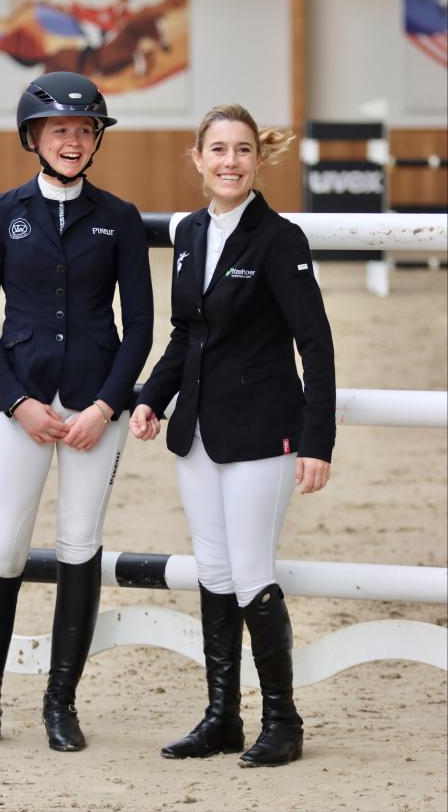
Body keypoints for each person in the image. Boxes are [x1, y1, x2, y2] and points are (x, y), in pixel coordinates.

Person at [0, 71, 153, 752]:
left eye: (84, 130)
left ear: (96, 140)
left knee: (78, 545)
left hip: (96, 406)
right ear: (33, 136)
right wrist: (17, 401)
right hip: (22, 405)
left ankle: (60, 704)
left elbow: (140, 326)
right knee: (5, 546)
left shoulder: (119, 218)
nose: (73, 140)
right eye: (60, 130)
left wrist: (106, 406)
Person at [130, 104, 335, 768]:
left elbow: (316, 344)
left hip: (262, 434)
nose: (230, 161)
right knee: (214, 573)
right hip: (196, 434)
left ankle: (284, 721)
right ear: (198, 158)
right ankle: (222, 718)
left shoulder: (280, 239)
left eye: (242, 150)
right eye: (218, 149)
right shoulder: (189, 232)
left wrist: (318, 440)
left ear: (257, 159)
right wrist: (150, 398)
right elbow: (185, 333)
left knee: (250, 574)